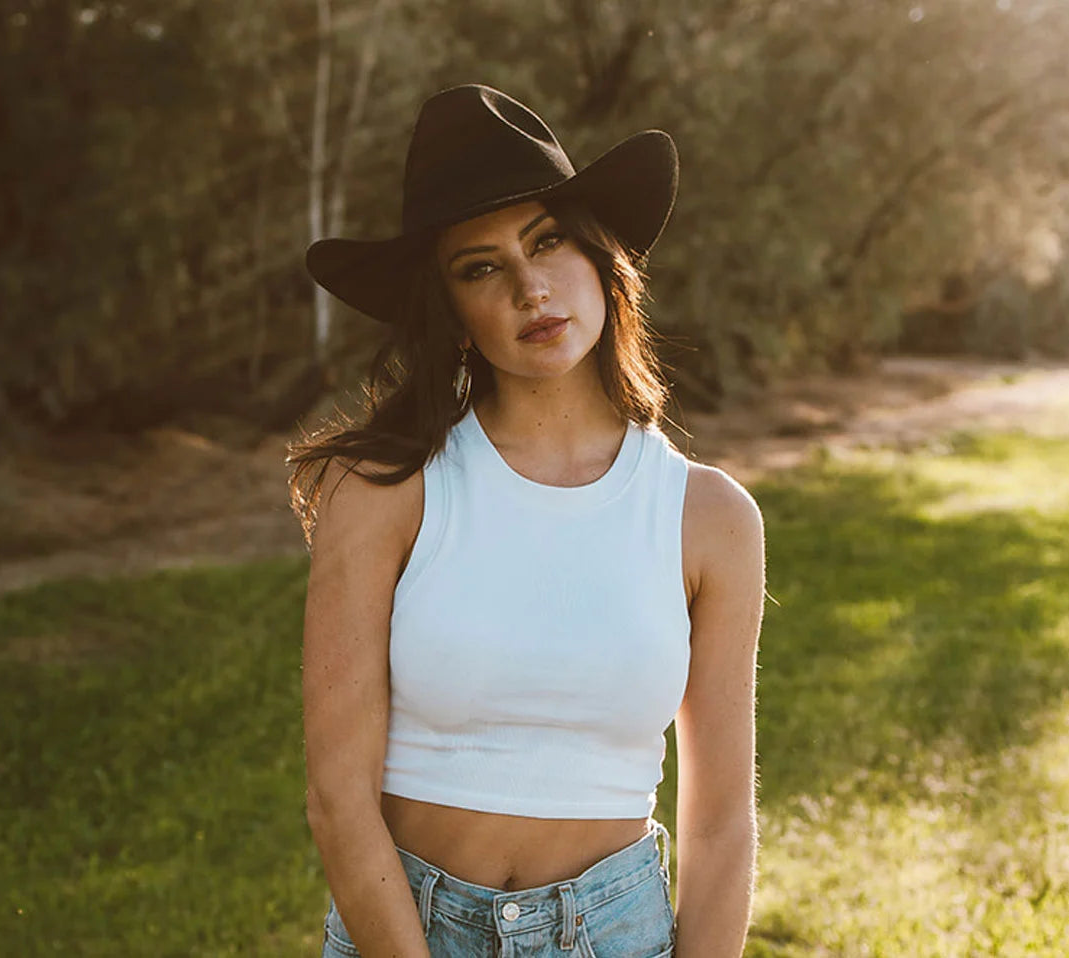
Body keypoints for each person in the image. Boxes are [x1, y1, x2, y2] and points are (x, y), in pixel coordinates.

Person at [288, 84, 764, 958]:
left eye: (548, 242)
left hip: (617, 935)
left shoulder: (710, 518)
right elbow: (338, 799)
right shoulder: (386, 490)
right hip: (408, 929)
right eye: (481, 267)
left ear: (602, 260)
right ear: (453, 312)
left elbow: (721, 824)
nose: (530, 288)